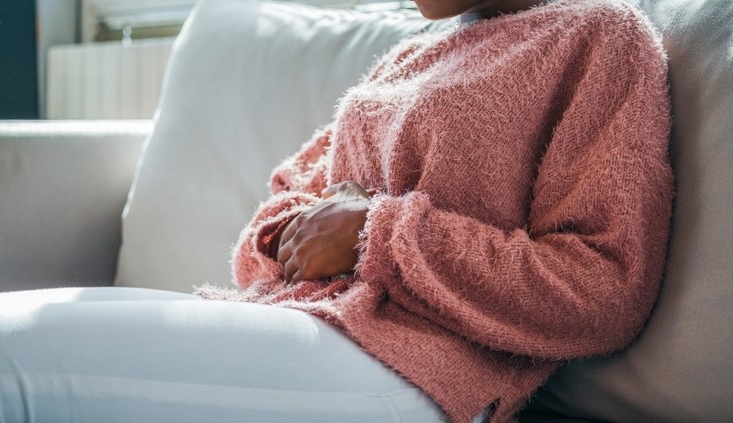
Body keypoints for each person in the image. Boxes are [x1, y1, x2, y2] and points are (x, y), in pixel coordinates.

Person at [0, 0, 673, 422]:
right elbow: (290, 199)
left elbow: (603, 286)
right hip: (298, 319)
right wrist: (296, 234)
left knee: (17, 363)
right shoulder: (410, 54)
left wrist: (371, 233)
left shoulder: (601, 37)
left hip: (417, 373)